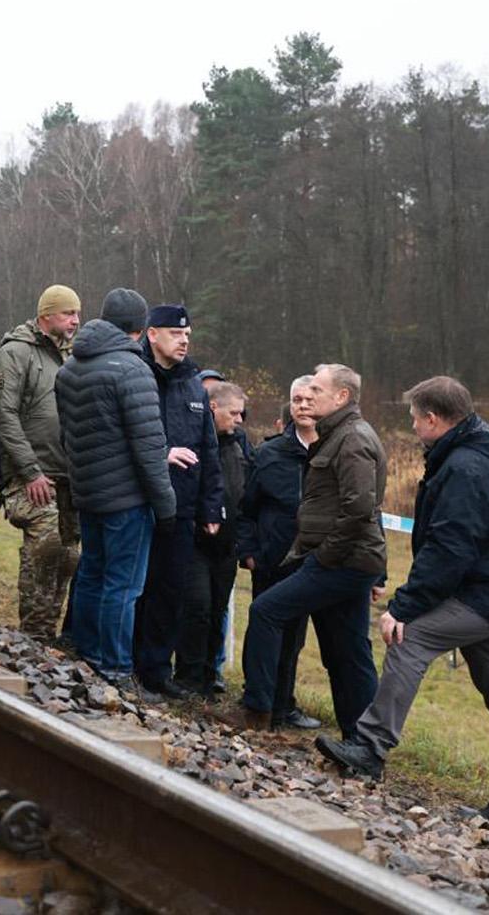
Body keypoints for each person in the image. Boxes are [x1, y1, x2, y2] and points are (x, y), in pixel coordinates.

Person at [317, 376, 489, 831]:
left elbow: (451, 547)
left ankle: (370, 747)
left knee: (409, 636)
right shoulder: (480, 449)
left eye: (415, 420)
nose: (414, 427)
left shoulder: (465, 466)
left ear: (433, 419)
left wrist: (404, 605)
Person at [239, 363, 386, 733]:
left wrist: (323, 556)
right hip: (345, 559)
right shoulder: (336, 434)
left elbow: (360, 509)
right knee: (346, 652)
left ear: (342, 397)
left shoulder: (352, 438)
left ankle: (256, 712)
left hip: (341, 561)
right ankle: (362, 738)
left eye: (317, 390)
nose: (309, 398)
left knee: (266, 611)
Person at [55, 288, 175, 698]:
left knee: (91, 573)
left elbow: (66, 437)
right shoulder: (131, 370)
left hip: (88, 491)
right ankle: (116, 667)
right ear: (139, 330)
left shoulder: (70, 368)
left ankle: (87, 653)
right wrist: (166, 503)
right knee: (123, 586)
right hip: (127, 497)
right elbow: (149, 446)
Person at [132, 304, 223, 698]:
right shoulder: (135, 375)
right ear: (153, 334)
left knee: (171, 591)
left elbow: (209, 449)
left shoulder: (192, 383)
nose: (184, 341)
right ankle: (124, 664)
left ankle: (156, 671)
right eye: (175, 334)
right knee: (137, 588)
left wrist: (210, 506)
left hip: (182, 508)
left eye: (187, 335)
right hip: (139, 502)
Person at [0, 286, 82, 639]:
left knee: (68, 557)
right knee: (45, 549)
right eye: (68, 313)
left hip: (68, 476)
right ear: (46, 315)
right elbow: (1, 415)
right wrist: (30, 471)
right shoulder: (15, 353)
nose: (75, 320)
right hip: (31, 475)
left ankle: (49, 634)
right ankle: (35, 635)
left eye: (77, 313)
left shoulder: (73, 357)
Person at [237, 376, 323, 730]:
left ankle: (284, 705)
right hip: (272, 558)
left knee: (295, 638)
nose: (302, 406)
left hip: (314, 561)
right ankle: (257, 702)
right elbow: (247, 507)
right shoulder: (269, 453)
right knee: (264, 631)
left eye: (309, 400)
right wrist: (249, 551)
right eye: (296, 399)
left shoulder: (336, 451)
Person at [188, 381, 250, 696]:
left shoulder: (239, 444)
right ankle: (188, 673)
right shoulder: (194, 440)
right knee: (197, 607)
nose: (240, 419)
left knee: (217, 611)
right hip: (195, 542)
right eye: (234, 413)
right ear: (214, 408)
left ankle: (210, 673)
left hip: (228, 545)